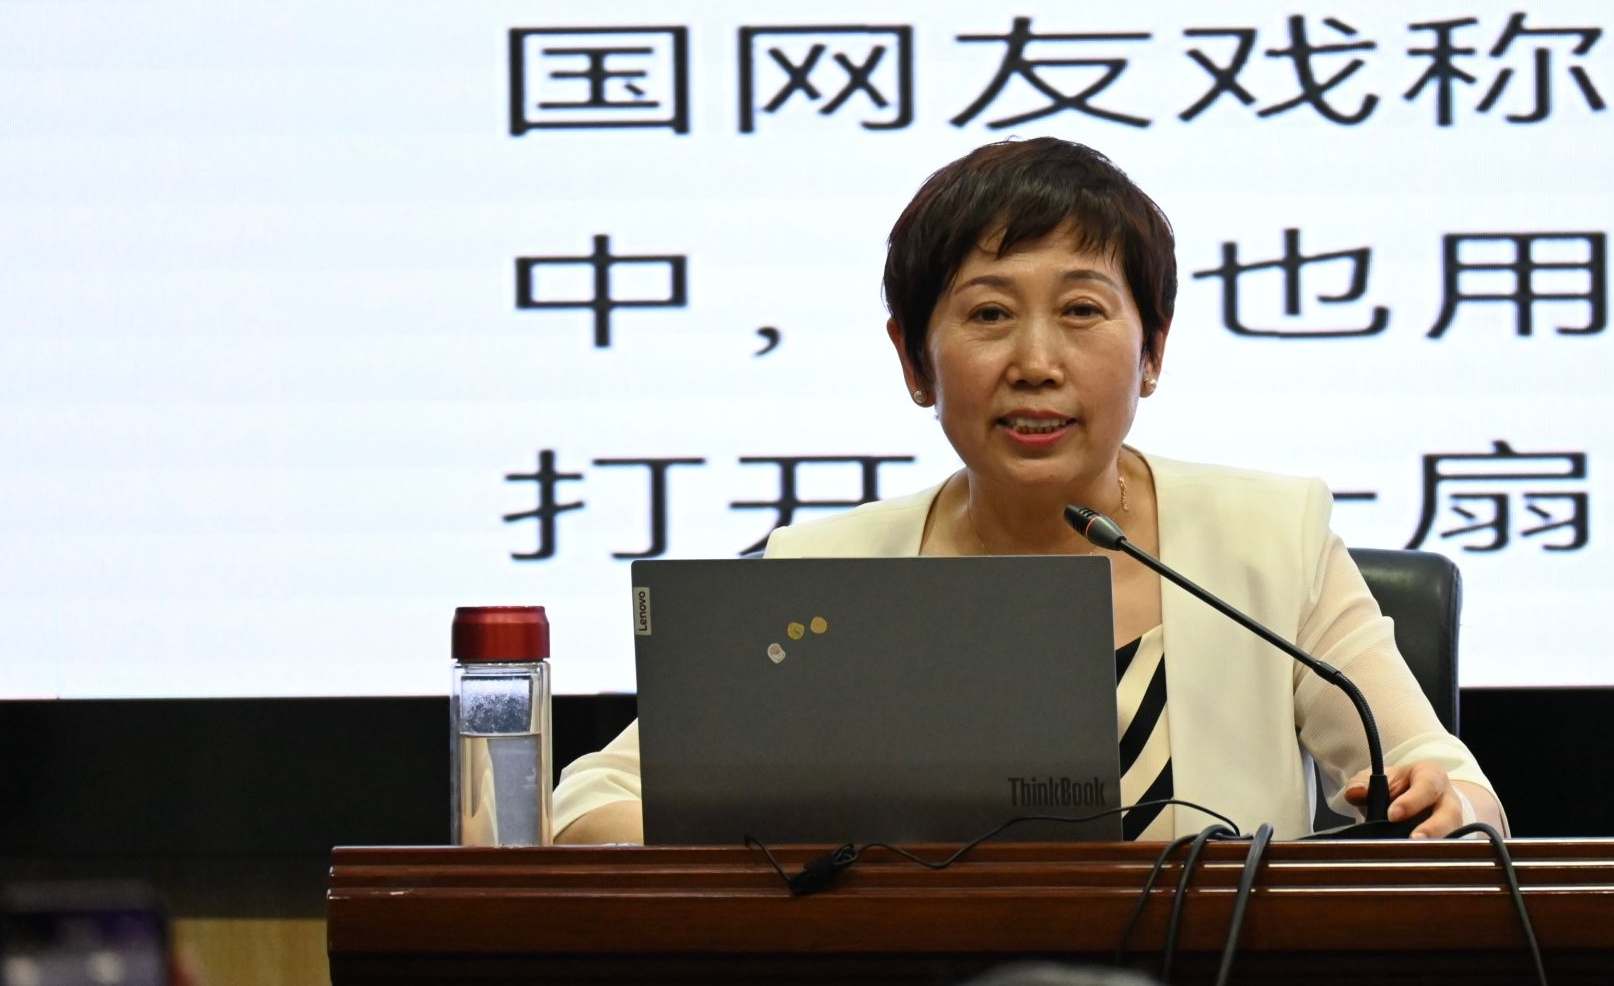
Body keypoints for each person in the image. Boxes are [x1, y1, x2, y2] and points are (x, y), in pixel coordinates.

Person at [552, 137, 1503, 844]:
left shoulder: (1271, 540)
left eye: (1083, 310)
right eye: (989, 314)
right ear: (914, 360)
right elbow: (590, 802)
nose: (1036, 361)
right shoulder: (821, 572)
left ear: (1153, 350)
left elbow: (1453, 787)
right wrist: (762, 853)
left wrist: (1443, 802)